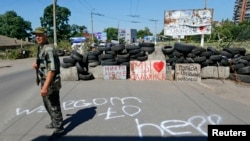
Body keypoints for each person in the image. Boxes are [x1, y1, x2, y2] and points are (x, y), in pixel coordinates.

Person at [32, 27, 64, 136]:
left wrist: (45, 87)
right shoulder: (41, 48)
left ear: (46, 36)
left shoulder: (49, 49)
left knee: (54, 104)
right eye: (36, 35)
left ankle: (59, 128)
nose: (37, 37)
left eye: (40, 35)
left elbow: (52, 70)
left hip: (50, 81)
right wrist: (38, 66)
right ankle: (55, 122)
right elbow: (45, 65)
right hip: (44, 80)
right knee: (47, 104)